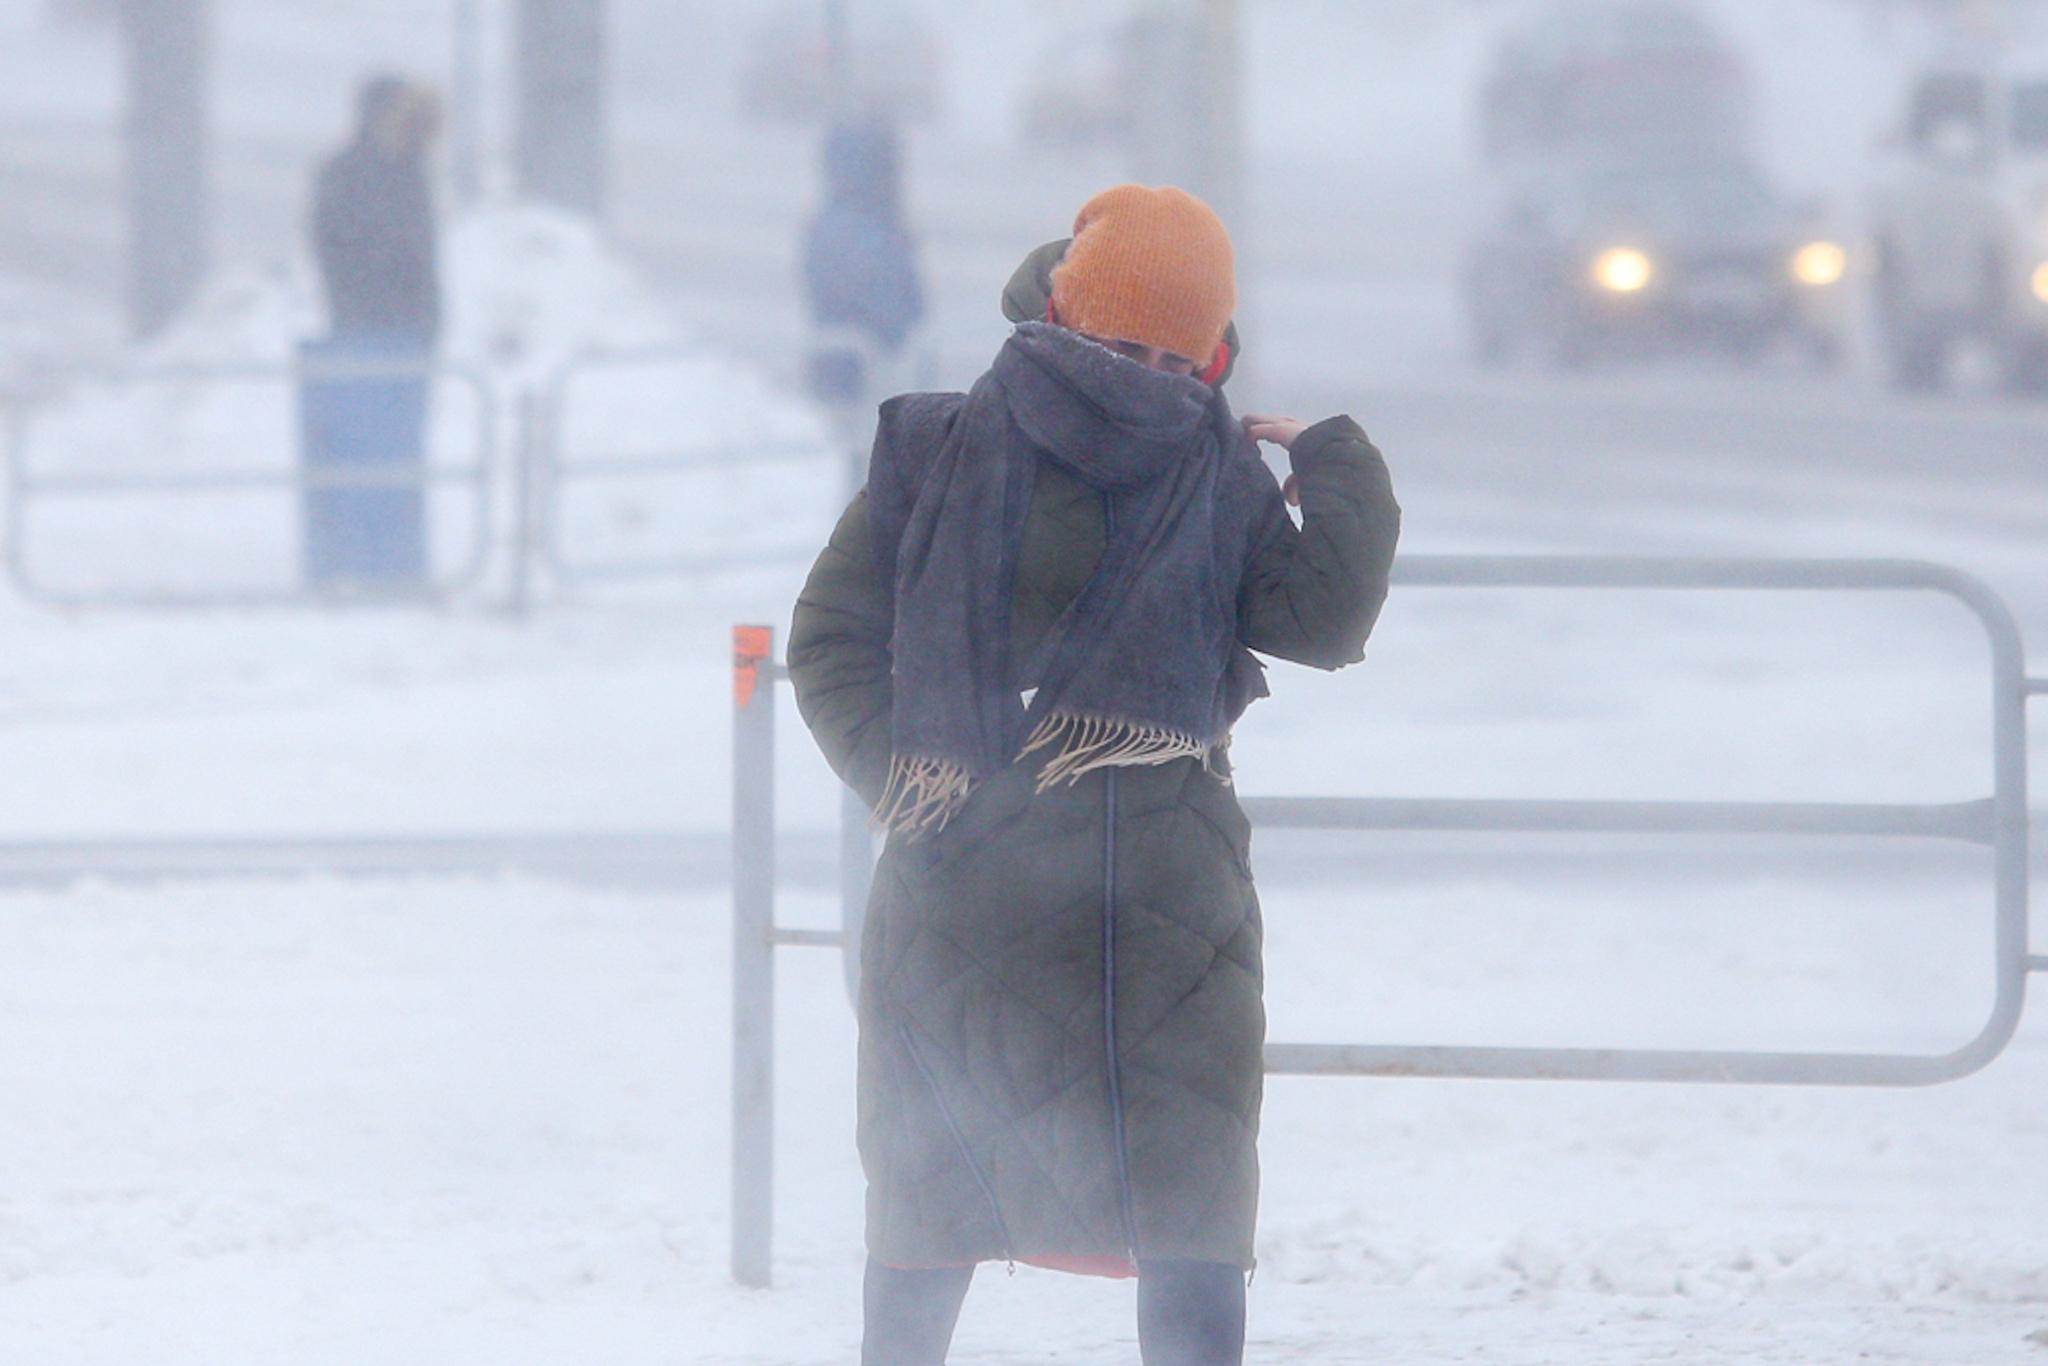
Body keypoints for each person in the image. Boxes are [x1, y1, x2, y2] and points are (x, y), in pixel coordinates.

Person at [788, 184, 1402, 1364]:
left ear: (1211, 353)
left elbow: (1319, 624)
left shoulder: (1218, 474)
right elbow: (829, 638)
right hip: (962, 877)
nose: (1147, 377)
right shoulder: (937, 447)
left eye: (1178, 357)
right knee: (928, 1192)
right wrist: (913, 778)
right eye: (1123, 343)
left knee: (1192, 1204)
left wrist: (1336, 467)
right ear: (1064, 315)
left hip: (1168, 905)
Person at [298, 75, 443, 589]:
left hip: (402, 336)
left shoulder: (406, 172)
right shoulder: (352, 174)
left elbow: (419, 256)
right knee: (364, 459)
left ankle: (391, 565)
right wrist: (372, 305)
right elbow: (340, 250)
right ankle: (359, 562)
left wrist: (427, 318)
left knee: (393, 463)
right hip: (364, 333)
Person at [800, 115, 926, 404]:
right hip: (864, 371)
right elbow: (888, 298)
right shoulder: (865, 226)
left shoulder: (842, 220)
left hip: (850, 368)